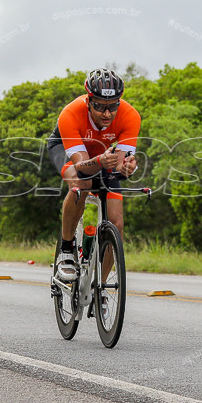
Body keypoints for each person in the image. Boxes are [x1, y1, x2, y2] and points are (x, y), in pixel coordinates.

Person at [47, 68, 140, 282]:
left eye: (112, 107)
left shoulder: (130, 116)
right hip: (67, 150)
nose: (107, 114)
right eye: (99, 106)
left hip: (101, 153)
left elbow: (119, 164)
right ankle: (67, 250)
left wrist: (127, 168)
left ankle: (102, 287)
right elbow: (81, 166)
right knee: (82, 183)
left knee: (116, 223)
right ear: (89, 100)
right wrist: (100, 161)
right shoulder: (70, 113)